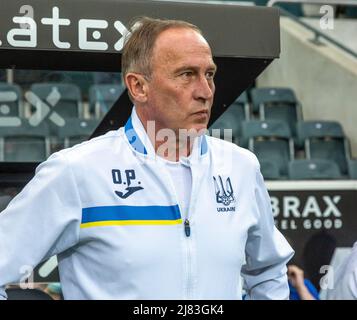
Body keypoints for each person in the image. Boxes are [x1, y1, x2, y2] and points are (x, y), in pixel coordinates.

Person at [0, 17, 294, 300]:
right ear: (138, 87)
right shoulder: (77, 171)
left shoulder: (241, 166)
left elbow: (269, 269)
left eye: (210, 74)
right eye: (186, 74)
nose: (205, 92)